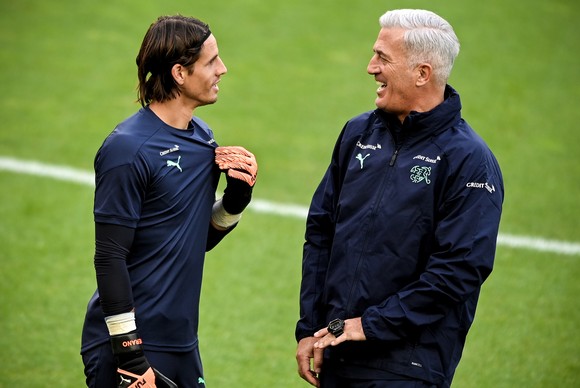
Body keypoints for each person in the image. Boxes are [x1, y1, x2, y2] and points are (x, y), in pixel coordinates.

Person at [295, 9, 503, 388]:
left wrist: (370, 326)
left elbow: (459, 270)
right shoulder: (357, 133)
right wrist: (310, 328)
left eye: (382, 58)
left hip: (408, 367)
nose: (370, 67)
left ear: (422, 73)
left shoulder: (469, 161)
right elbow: (321, 233)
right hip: (338, 352)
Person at [81, 15, 258, 388]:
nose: (223, 69)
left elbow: (191, 239)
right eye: (211, 62)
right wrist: (129, 354)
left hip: (181, 342)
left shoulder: (203, 139)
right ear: (180, 72)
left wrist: (235, 201)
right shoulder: (127, 150)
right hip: (131, 343)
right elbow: (110, 255)